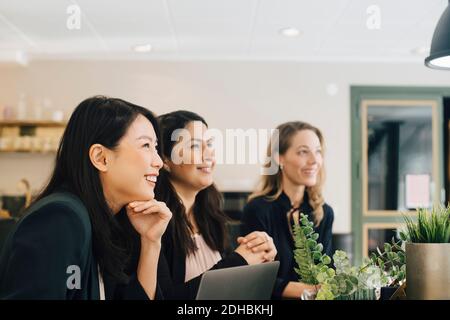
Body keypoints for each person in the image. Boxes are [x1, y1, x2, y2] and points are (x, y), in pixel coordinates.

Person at [0, 96, 171, 300]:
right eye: (146, 146)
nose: (159, 161)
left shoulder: (106, 222)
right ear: (101, 158)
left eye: (156, 147)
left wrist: (151, 242)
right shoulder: (61, 218)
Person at [126, 110, 277, 299]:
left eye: (210, 144)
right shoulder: (151, 221)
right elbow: (165, 297)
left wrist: (260, 256)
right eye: (195, 146)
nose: (208, 154)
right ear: (165, 159)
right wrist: (240, 261)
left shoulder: (211, 215)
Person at [241, 121, 334, 299]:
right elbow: (256, 279)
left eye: (318, 151)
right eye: (303, 152)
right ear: (279, 158)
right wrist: (314, 290)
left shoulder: (324, 212)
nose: (314, 160)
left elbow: (328, 272)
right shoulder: (257, 209)